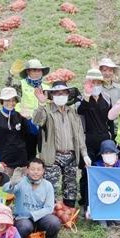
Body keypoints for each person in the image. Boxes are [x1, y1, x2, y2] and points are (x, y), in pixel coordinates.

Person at [32, 81, 91, 209]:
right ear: (52, 95)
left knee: (70, 185)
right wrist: (41, 104)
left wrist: (84, 154)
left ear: (68, 94)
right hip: (53, 155)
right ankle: (49, 212)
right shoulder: (47, 111)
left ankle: (69, 211)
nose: (60, 95)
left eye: (63, 93)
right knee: (50, 184)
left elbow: (79, 134)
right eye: (57, 93)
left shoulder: (72, 112)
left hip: (71, 155)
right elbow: (36, 120)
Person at [2, 158, 63, 238]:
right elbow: (6, 189)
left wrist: (33, 214)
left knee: (54, 222)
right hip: (23, 218)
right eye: (33, 169)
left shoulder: (48, 185)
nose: (35, 172)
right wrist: (12, 183)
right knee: (24, 226)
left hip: (40, 218)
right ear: (27, 170)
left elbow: (49, 207)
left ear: (43, 171)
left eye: (39, 169)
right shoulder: (21, 181)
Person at [78, 68, 115, 211]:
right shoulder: (82, 98)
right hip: (88, 138)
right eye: (92, 82)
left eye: (98, 82)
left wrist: (112, 136)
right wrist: (86, 96)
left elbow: (110, 119)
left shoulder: (106, 97)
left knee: (104, 168)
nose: (95, 85)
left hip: (104, 138)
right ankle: (86, 200)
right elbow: (80, 111)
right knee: (87, 170)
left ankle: (104, 197)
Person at [6, 59, 51, 160]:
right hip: (24, 121)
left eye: (39, 70)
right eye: (34, 70)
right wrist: (10, 75)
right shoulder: (21, 84)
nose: (37, 72)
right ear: (28, 71)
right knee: (27, 149)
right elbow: (9, 90)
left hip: (41, 122)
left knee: (43, 149)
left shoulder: (46, 87)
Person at [0, 87, 38, 171]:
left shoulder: (21, 116)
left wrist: (28, 119)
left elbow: (34, 132)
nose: (11, 103)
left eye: (13, 100)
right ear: (2, 102)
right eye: (7, 100)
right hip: (5, 163)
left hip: (22, 161)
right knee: (6, 184)